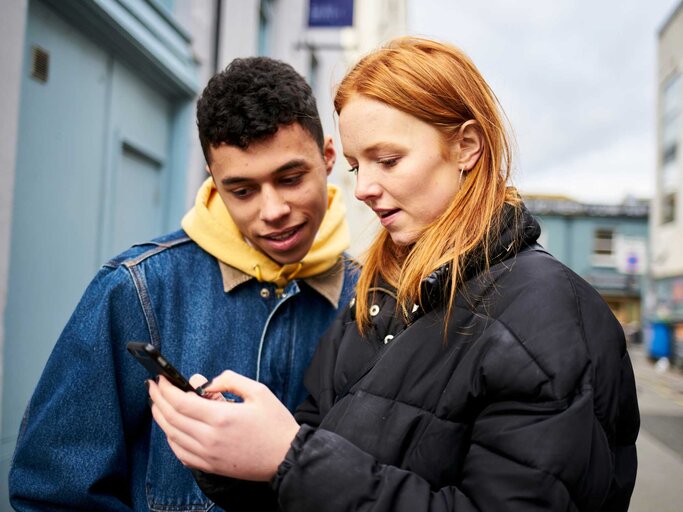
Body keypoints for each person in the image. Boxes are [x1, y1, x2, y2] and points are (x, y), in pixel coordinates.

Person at [148, 37, 640, 511]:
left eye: (387, 160)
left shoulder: (550, 311)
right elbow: (307, 479)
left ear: (466, 146)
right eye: (357, 166)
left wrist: (289, 457)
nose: (363, 189)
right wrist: (233, 450)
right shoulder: (378, 291)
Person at [9, 57, 358, 511]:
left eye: (290, 179)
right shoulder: (137, 288)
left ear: (328, 157)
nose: (272, 210)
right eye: (243, 190)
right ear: (214, 182)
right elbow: (53, 493)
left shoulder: (371, 298)